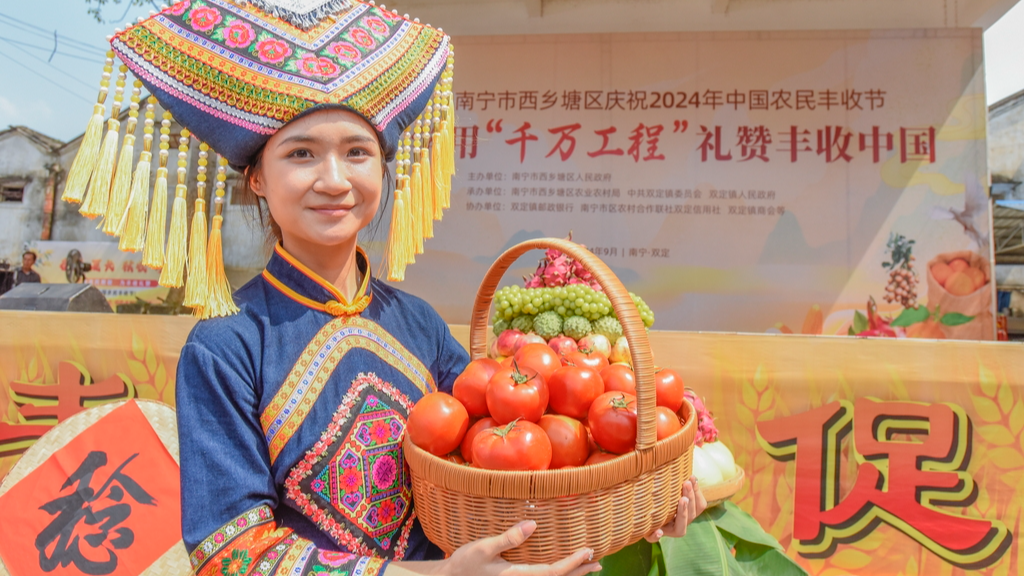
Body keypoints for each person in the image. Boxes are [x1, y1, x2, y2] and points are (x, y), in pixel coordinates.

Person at [59, 2, 705, 575]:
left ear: (384, 168)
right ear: (256, 178)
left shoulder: (419, 325)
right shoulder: (225, 348)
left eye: (358, 153)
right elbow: (230, 554)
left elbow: (506, 476)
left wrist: (637, 505)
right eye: (301, 154)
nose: (334, 179)